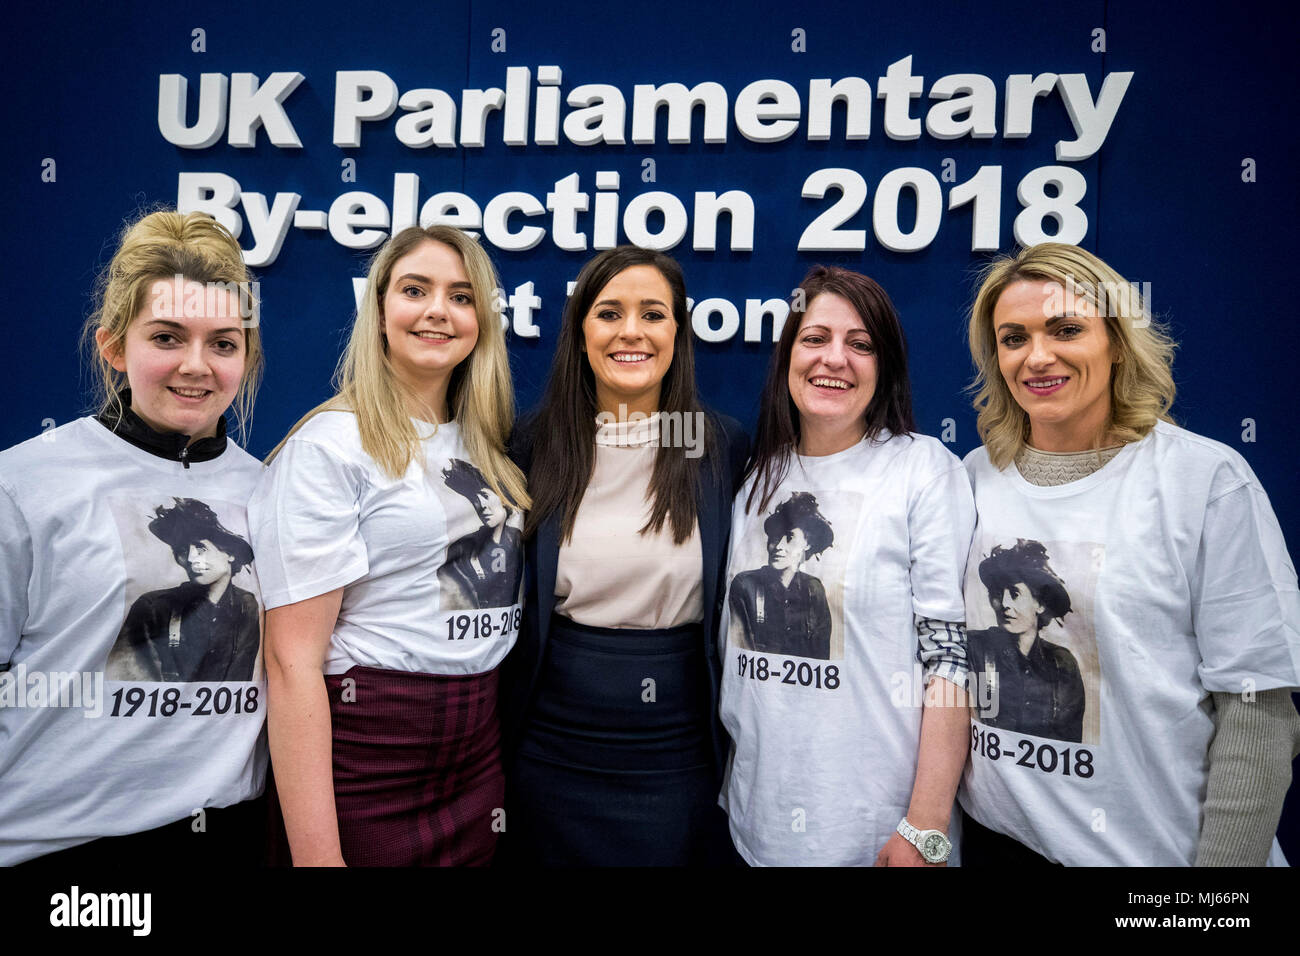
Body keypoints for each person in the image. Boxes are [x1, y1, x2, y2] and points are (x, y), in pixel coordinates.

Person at [960, 242, 1300, 866]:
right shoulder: (975, 476)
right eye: (1014, 338)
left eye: (1066, 329)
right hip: (996, 844)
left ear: (1117, 340)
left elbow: (1257, 712)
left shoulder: (1206, 481)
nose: (1038, 356)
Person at [250, 225, 528, 867]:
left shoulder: (485, 444)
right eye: (414, 290)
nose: (438, 310)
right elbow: (291, 664)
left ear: (481, 321)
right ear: (378, 313)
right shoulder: (328, 448)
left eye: (461, 296)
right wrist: (319, 859)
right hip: (367, 753)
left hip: (476, 753)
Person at [0, 209, 267, 866]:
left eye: (223, 343)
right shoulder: (24, 482)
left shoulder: (276, 492)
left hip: (231, 838)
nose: (196, 366)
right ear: (114, 346)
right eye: (168, 338)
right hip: (59, 848)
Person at [718, 265, 975, 867]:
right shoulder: (756, 479)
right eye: (815, 339)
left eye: (860, 344)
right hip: (755, 829)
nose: (835, 358)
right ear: (787, 355)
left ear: (883, 367)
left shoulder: (922, 470)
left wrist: (925, 826)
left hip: (882, 838)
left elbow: (950, 661)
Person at [501, 245, 748, 866]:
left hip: (679, 755)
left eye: (653, 314)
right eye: (609, 313)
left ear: (678, 332)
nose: (630, 332)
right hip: (549, 750)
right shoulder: (529, 445)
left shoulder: (720, 449)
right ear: (581, 331)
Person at [107, 497, 260, 682]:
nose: (190, 558)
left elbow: (240, 679)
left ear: (230, 553)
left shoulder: (246, 605)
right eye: (181, 550)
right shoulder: (153, 608)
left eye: (200, 548)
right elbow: (129, 682)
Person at [966, 539, 1084, 742]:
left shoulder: (1062, 664)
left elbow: (1069, 741)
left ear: (1039, 603)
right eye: (997, 594)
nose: (1004, 604)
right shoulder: (976, 647)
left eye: (1014, 594)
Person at [728, 491, 833, 659]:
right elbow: (741, 651)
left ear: (807, 544)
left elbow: (820, 655)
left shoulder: (814, 589)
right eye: (775, 537)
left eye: (790, 537)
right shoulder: (745, 584)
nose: (778, 546)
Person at [438, 457, 524, 610]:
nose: (480, 506)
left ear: (503, 498)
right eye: (474, 499)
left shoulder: (517, 539)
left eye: (485, 496)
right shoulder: (461, 547)